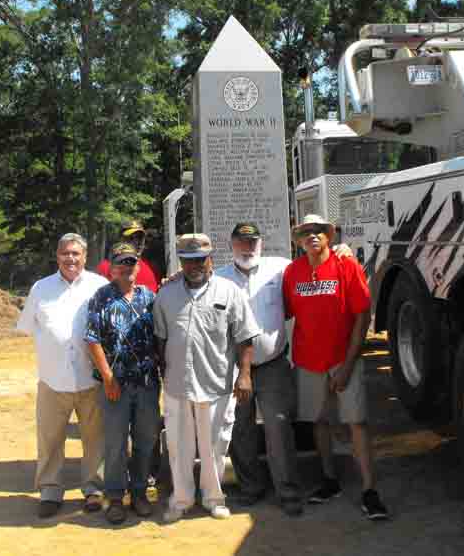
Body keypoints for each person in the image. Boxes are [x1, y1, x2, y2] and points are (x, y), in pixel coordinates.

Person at [282, 214, 391, 521]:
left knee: (356, 422)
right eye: (306, 232)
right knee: (319, 421)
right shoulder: (292, 272)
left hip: (344, 359)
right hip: (307, 360)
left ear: (328, 236)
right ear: (299, 240)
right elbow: (284, 308)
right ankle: (329, 480)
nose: (312, 236)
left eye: (318, 231)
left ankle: (370, 491)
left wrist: (348, 364)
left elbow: (363, 314)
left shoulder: (346, 265)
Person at [153, 233, 259, 522]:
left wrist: (245, 375)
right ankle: (181, 499)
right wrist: (165, 374)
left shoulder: (229, 292)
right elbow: (160, 341)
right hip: (178, 385)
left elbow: (245, 337)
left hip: (216, 384)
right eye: (188, 261)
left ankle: (214, 498)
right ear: (181, 262)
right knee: (178, 446)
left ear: (210, 259)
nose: (195, 266)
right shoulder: (166, 294)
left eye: (200, 259)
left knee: (215, 445)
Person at [16, 233, 107, 518]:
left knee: (95, 438)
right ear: (57, 256)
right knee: (50, 438)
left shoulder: (100, 286)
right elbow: (29, 327)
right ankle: (50, 490)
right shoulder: (40, 289)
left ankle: (94, 489)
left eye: (76, 254)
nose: (71, 259)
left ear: (85, 256)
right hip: (53, 380)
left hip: (91, 380)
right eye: (66, 253)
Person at [215, 222, 303, 516]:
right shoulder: (218, 278)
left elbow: (312, 266)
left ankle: (287, 490)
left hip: (273, 365)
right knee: (241, 430)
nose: (248, 247)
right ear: (231, 245)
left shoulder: (281, 268)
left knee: (278, 427)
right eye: (241, 242)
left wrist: (340, 249)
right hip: (235, 369)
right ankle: (251, 488)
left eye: (252, 242)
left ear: (261, 244)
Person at [85, 242, 162, 524]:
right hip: (114, 385)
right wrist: (107, 378)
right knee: (115, 443)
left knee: (145, 440)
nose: (126, 268)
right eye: (121, 264)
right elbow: (92, 340)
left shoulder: (149, 298)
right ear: (112, 268)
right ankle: (115, 497)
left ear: (138, 267)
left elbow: (160, 338)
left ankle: (139, 493)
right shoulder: (100, 298)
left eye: (131, 263)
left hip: (146, 384)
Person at [96, 220, 160, 292]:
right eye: (131, 238)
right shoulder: (106, 266)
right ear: (120, 240)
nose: (137, 242)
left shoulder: (151, 267)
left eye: (140, 238)